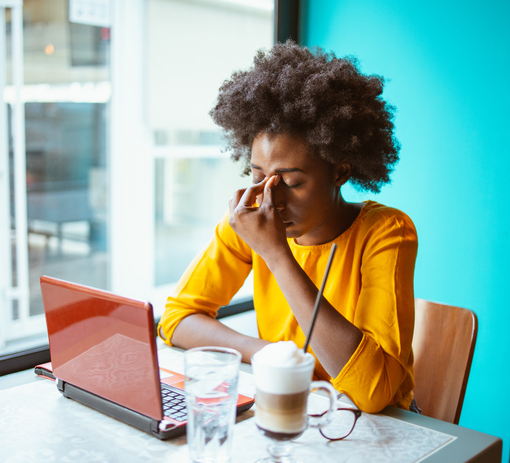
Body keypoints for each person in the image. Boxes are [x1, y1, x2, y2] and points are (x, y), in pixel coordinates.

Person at [157, 41, 417, 413]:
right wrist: (267, 353)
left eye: (291, 182)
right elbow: (176, 320)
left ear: (340, 171)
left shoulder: (386, 232)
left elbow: (372, 392)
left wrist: (277, 256)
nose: (269, 198)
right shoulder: (250, 221)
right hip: (290, 412)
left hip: (374, 427)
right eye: (257, 175)